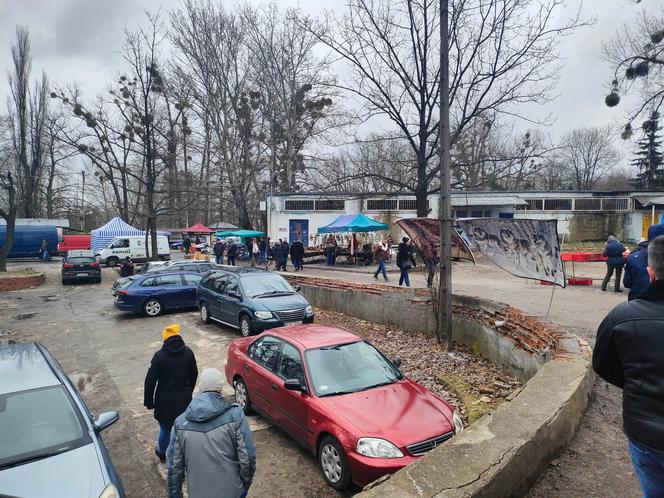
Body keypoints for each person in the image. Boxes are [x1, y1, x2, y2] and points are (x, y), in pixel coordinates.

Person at [593, 235, 664, 496]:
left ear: (650, 272)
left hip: (645, 433)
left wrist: (636, 381)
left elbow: (602, 364)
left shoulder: (622, 317)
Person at [167, 368, 256, 498]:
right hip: (233, 491)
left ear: (200, 389)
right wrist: (244, 484)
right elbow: (247, 455)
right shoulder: (235, 415)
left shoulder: (180, 424)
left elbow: (174, 468)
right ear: (220, 389)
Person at [144, 324, 198, 463]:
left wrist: (149, 402)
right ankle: (185, 455)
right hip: (184, 400)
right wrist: (188, 391)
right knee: (184, 429)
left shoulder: (159, 356)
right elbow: (194, 374)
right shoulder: (188, 353)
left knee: (166, 429)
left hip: (164, 402)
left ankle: (162, 451)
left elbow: (150, 381)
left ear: (165, 339)